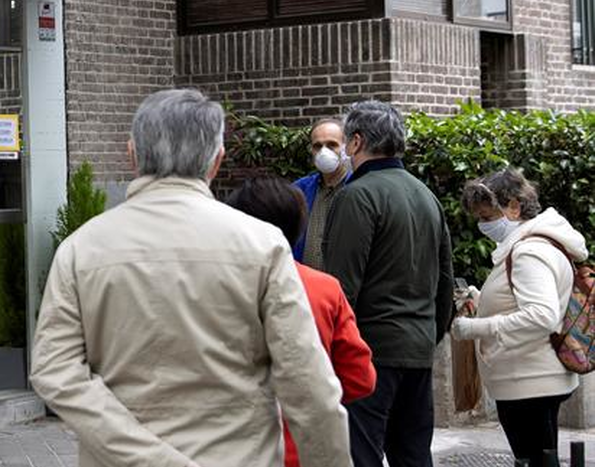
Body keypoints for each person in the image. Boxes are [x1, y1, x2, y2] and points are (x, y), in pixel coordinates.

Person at [30, 89, 351, 467]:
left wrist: (147, 456)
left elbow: (55, 371)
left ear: (132, 154)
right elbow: (307, 383)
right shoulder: (263, 245)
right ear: (217, 160)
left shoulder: (80, 249)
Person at [322, 100, 454, 467]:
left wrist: (332, 350)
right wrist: (430, 334)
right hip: (418, 347)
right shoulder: (425, 195)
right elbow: (444, 281)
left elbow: (341, 288)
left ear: (356, 142)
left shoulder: (357, 196)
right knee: (413, 454)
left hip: (370, 351)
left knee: (360, 455)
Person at [228, 175, 376, 467]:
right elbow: (360, 377)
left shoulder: (211, 288)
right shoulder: (325, 289)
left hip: (231, 448)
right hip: (303, 448)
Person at [452, 169, 587, 464]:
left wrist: (474, 328)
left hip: (529, 381)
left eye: (486, 216)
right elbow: (524, 302)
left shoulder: (529, 252)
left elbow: (541, 315)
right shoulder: (541, 243)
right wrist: (479, 299)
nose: (483, 225)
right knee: (541, 458)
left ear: (514, 207)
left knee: (533, 459)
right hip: (536, 376)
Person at [293, 117, 350, 268]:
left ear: (346, 148)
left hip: (342, 281)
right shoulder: (299, 190)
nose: (324, 152)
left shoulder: (357, 189)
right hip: (305, 280)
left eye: (332, 145)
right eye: (317, 146)